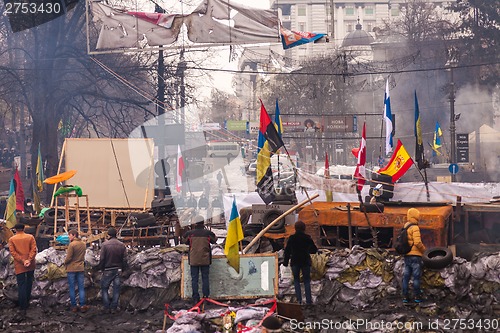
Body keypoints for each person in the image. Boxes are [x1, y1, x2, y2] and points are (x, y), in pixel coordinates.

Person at [183, 215, 217, 303]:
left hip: (194, 260)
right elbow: (214, 240)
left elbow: (185, 241)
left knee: (194, 279)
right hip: (205, 259)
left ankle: (195, 298)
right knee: (205, 278)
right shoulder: (208, 233)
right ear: (203, 222)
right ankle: (206, 297)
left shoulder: (190, 234)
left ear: (195, 223)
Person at [283, 221, 317, 305]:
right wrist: (307, 250)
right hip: (305, 261)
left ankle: (299, 300)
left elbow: (287, 251)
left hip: (295, 261)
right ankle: (308, 301)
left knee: (296, 280)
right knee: (306, 281)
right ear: (304, 228)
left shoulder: (292, 238)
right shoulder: (307, 238)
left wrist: (285, 262)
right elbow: (314, 250)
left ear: (295, 228)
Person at [8, 223, 37, 317]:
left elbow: (13, 253)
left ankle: (22, 306)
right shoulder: (30, 237)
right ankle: (27, 302)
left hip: (19, 265)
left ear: (16, 230)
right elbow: (34, 250)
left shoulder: (12, 239)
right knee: (29, 282)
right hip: (30, 263)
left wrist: (22, 260)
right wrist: (29, 259)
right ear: (24, 229)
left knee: (21, 285)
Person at [97, 227, 127, 313]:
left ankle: (106, 307)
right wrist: (124, 270)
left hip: (108, 269)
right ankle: (114, 307)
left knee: (104, 288)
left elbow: (102, 259)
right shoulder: (122, 245)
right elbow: (124, 259)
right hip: (118, 270)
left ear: (108, 235)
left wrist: (101, 268)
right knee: (116, 289)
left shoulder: (105, 245)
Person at [402, 208, 426, 304]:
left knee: (406, 276)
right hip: (415, 256)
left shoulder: (406, 226)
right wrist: (424, 250)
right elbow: (417, 242)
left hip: (407, 255)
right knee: (416, 277)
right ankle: (417, 296)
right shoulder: (415, 227)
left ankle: (405, 297)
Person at [65, 229, 88, 313]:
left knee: (72, 288)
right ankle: (82, 305)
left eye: (69, 235)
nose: (68, 236)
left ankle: (74, 306)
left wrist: (64, 263)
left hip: (71, 268)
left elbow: (69, 258)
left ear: (74, 235)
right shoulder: (83, 244)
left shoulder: (72, 245)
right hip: (80, 268)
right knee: (81, 287)